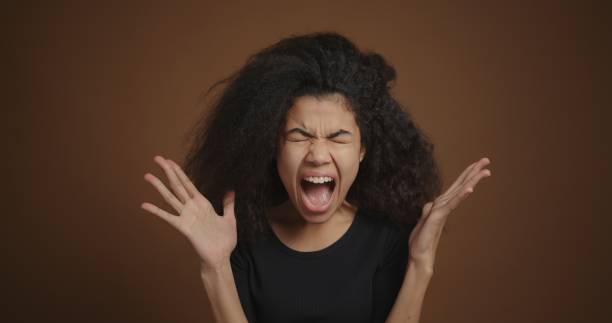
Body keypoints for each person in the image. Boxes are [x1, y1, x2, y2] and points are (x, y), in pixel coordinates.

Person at [141, 31, 492, 323]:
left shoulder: (387, 237)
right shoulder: (241, 237)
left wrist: (420, 263)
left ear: (362, 150)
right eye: (299, 136)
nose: (318, 154)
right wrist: (215, 267)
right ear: (273, 148)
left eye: (338, 137)